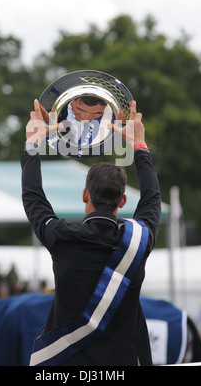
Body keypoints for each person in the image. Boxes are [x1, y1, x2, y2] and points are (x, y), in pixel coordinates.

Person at [21, 99, 161, 366]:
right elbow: (152, 199)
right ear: (122, 201)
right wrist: (139, 145)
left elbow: (32, 196)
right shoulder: (138, 240)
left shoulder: (61, 236)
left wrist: (33, 142)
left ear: (85, 194)